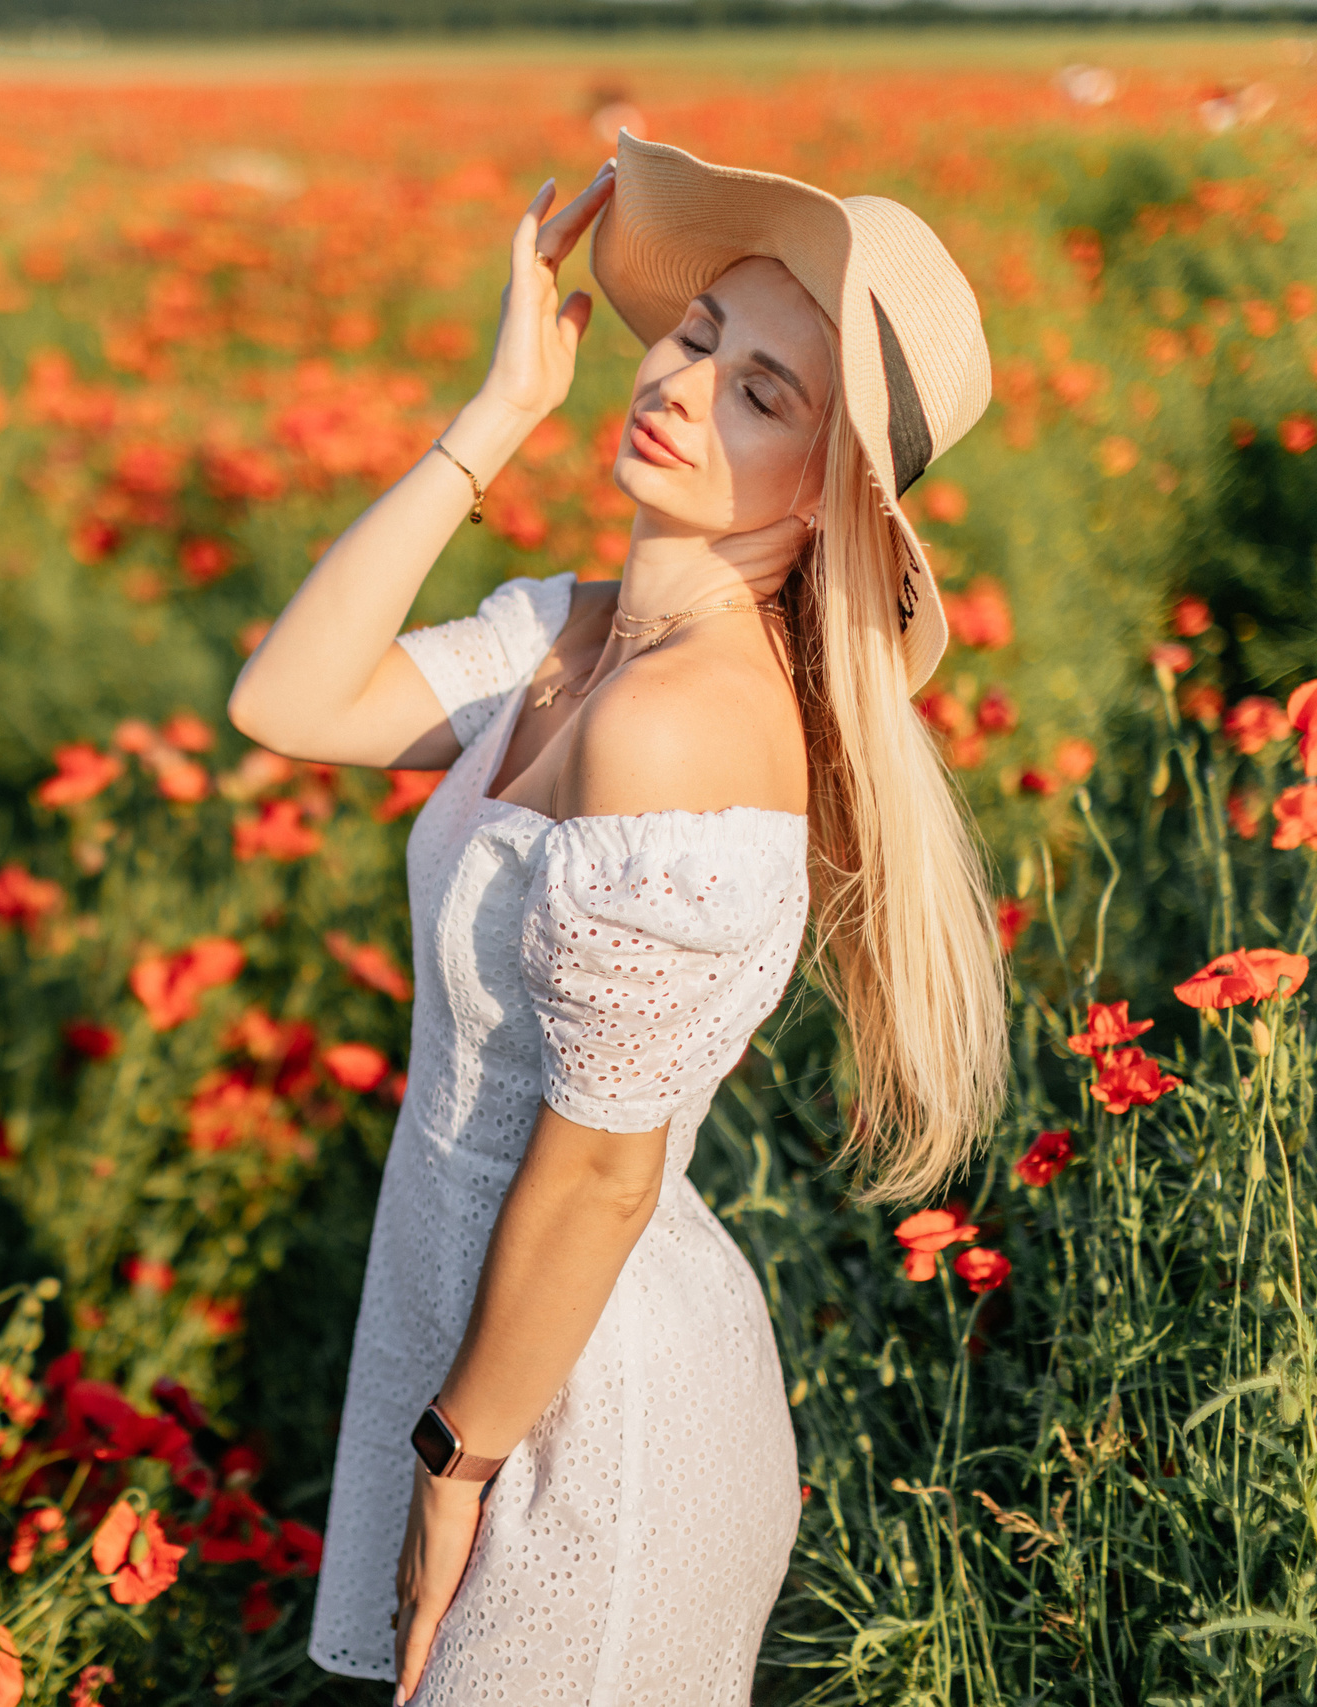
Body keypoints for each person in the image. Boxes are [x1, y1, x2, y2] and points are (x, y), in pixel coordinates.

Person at [225, 131, 1008, 1704]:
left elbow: (597, 1169)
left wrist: (456, 1462)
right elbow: (287, 699)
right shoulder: (564, 637)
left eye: (763, 394)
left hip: (592, 1414)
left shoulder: (686, 723)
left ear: (827, 496)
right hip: (492, 1360)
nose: (686, 383)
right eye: (700, 333)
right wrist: (496, 415)